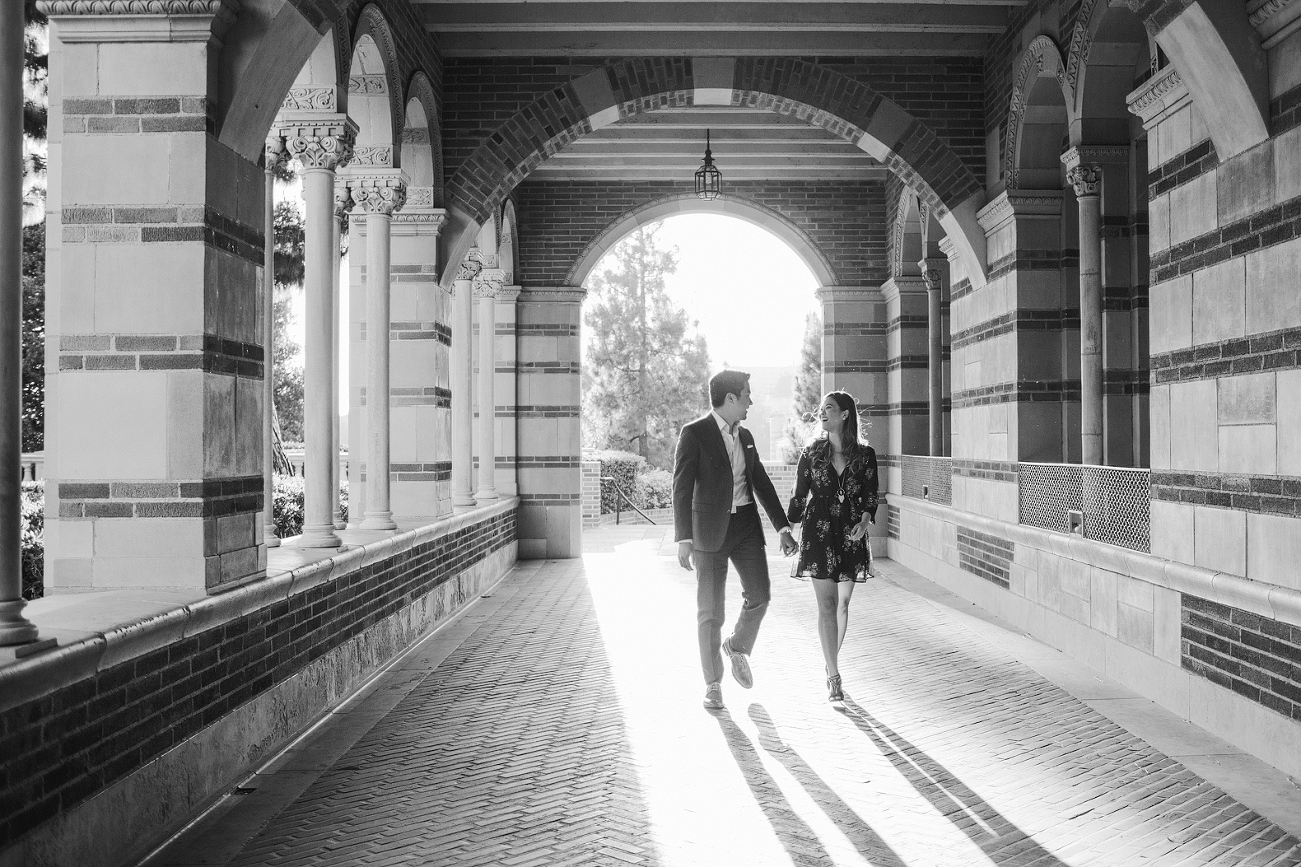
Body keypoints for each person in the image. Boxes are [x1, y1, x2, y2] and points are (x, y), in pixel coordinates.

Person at [673, 369, 798, 710]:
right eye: (746, 395)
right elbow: (681, 489)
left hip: (745, 527)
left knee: (760, 594)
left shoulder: (746, 436)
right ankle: (713, 684)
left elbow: (761, 483)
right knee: (710, 612)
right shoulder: (694, 434)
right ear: (730, 399)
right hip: (708, 532)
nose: (750, 401)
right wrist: (683, 538)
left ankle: (738, 646)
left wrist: (783, 528)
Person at [786, 391, 879, 702]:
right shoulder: (811, 453)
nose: (822, 414)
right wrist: (787, 530)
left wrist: (865, 522)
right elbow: (799, 497)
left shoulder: (865, 456)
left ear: (845, 415)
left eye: (829, 409)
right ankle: (834, 674)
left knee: (842, 605)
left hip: (851, 535)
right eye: (821, 409)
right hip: (819, 533)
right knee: (826, 606)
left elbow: (870, 496)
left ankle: (829, 663)